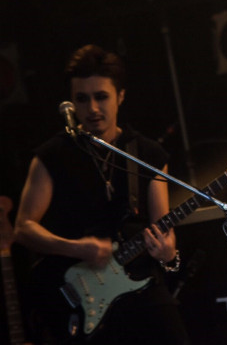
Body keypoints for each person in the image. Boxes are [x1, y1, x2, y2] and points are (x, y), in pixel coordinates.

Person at [14, 45, 189, 344]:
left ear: (120, 96)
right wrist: (76, 248)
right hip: (79, 294)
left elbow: (164, 231)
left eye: (101, 96)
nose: (93, 108)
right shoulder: (53, 155)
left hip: (140, 282)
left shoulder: (147, 154)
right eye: (82, 99)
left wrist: (168, 254)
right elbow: (23, 228)